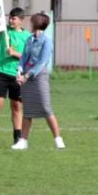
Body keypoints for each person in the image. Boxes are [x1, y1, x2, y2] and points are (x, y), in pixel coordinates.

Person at [13, 12, 65, 150]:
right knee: (28, 110)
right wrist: (19, 71)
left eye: (32, 22)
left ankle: (58, 139)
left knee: (46, 108)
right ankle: (23, 141)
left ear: (37, 23)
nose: (30, 24)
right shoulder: (29, 40)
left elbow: (42, 62)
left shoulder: (46, 41)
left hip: (38, 76)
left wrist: (28, 75)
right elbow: (24, 57)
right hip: (26, 76)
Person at [0, 7, 31, 147]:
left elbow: (29, 58)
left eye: (14, 18)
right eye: (9, 17)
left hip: (17, 74)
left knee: (16, 105)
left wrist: (14, 53)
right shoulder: (3, 30)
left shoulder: (27, 37)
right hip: (0, 72)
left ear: (21, 21)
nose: (10, 20)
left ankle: (17, 138)